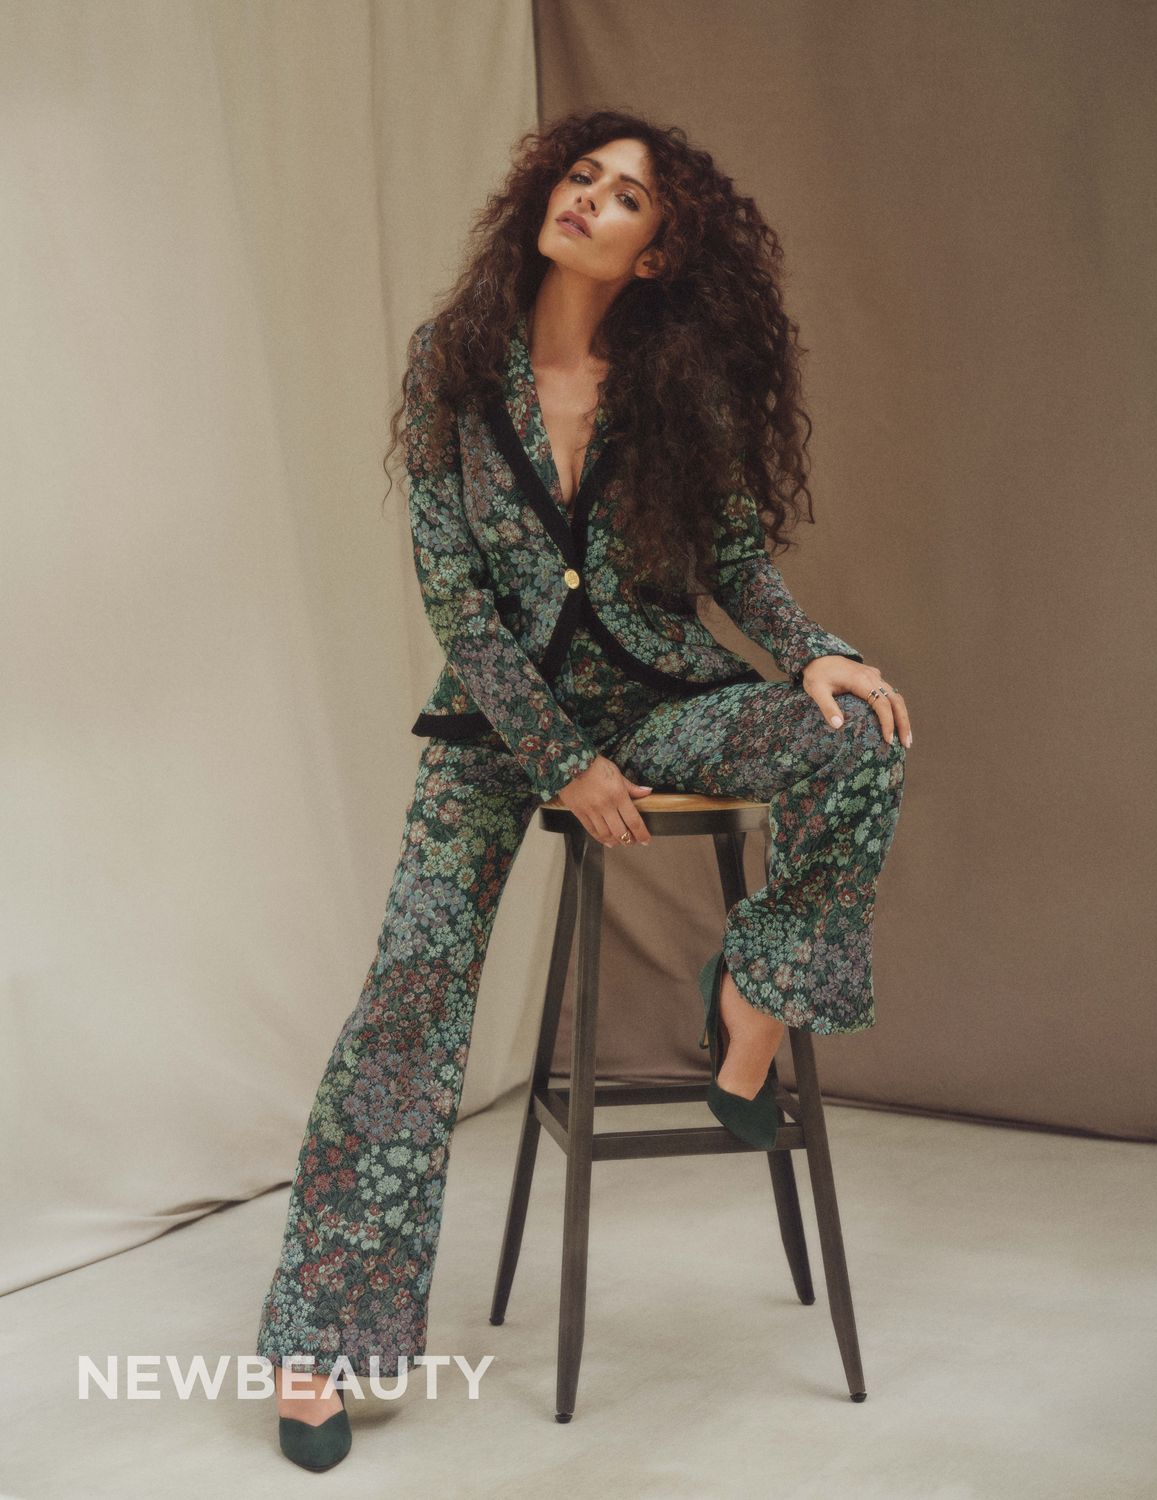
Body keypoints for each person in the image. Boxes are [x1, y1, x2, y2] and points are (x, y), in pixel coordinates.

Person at [255, 107, 911, 1470]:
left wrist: (816, 653)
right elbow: (456, 597)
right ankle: (325, 1338)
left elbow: (736, 566)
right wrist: (560, 757)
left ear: (656, 254)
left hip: (660, 703)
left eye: (624, 198)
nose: (589, 199)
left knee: (861, 736)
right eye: (582, 177)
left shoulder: (677, 386)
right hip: (500, 729)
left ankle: (754, 996)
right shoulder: (453, 362)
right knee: (411, 994)